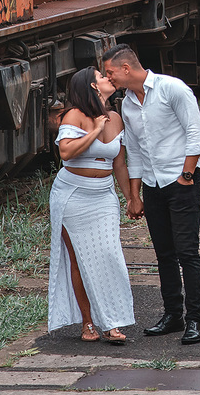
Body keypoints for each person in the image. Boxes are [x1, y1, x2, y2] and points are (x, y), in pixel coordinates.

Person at [101, 44, 200, 345]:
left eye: (111, 73)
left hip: (181, 182)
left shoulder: (172, 89)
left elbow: (195, 133)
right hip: (153, 185)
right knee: (164, 254)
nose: (110, 80)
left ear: (126, 69)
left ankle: (195, 320)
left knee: (187, 252)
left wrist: (186, 176)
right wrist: (134, 196)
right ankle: (173, 314)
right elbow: (133, 150)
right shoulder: (128, 104)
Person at [47, 66, 135, 344]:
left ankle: (113, 322)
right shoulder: (75, 116)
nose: (108, 78)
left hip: (103, 194)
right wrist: (95, 128)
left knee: (110, 255)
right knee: (79, 261)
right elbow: (66, 152)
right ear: (92, 87)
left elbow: (119, 163)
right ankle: (88, 323)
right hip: (73, 194)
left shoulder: (116, 118)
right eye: (102, 76)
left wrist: (131, 196)